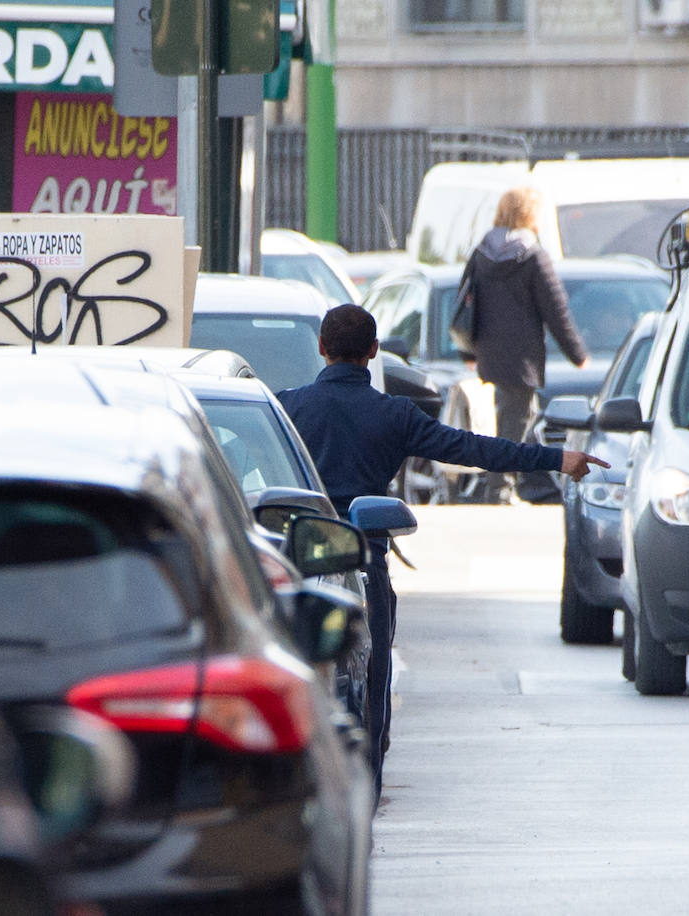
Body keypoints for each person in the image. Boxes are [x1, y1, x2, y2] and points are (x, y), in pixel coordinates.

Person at [277, 304, 608, 800]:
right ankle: (366, 774)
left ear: (321, 349)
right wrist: (557, 458)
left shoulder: (286, 410)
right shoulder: (394, 416)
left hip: (300, 557)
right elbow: (475, 449)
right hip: (364, 559)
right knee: (374, 673)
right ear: (373, 353)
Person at [461, 186, 591, 504]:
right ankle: (500, 488)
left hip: (489, 352)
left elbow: (466, 301)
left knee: (515, 417)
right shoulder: (532, 255)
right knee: (516, 420)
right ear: (530, 215)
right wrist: (577, 354)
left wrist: (468, 350)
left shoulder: (481, 251)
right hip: (521, 355)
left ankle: (510, 483)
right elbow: (555, 308)